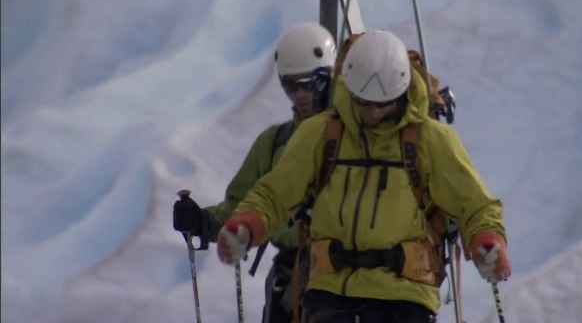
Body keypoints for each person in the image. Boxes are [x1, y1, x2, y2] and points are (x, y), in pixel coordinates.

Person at [215, 30, 512, 323]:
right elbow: (276, 193)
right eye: (363, 102)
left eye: (381, 103)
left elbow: (474, 205)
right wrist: (247, 224)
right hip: (331, 291)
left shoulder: (431, 140)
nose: (371, 111)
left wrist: (487, 239)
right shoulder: (322, 133)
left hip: (404, 296)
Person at [172, 22, 337, 323]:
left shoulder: (351, 140)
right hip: (291, 283)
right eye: (290, 85)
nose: (299, 95)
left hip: (341, 282)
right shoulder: (275, 143)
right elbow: (242, 205)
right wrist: (203, 221)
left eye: (307, 84)